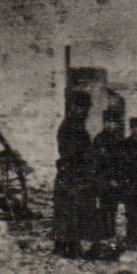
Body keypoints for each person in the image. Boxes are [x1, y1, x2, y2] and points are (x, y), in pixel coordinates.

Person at [52, 91, 97, 257]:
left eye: (86, 108)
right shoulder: (70, 128)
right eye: (80, 108)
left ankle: (68, 246)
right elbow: (71, 152)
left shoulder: (76, 126)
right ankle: (67, 247)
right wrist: (88, 159)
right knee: (70, 209)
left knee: (70, 210)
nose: (84, 112)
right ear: (72, 107)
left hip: (73, 173)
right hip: (72, 173)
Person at [91, 106, 127, 244]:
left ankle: (111, 231)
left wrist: (118, 178)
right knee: (104, 206)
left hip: (115, 179)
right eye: (107, 122)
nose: (110, 125)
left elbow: (121, 162)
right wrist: (110, 179)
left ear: (117, 124)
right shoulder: (100, 139)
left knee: (113, 207)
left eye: (113, 122)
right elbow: (102, 161)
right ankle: (104, 233)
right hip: (103, 179)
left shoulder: (118, 140)